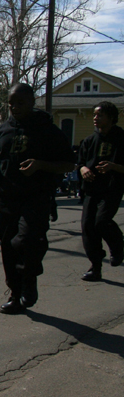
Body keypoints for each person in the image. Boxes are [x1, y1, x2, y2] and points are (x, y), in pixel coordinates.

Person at [0, 84, 75, 314]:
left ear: (32, 102)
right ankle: (16, 294)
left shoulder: (48, 131)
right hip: (6, 198)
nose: (14, 108)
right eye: (11, 104)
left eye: (20, 103)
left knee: (26, 241)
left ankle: (29, 279)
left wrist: (40, 165)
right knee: (8, 246)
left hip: (36, 197)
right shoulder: (1, 131)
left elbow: (68, 164)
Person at [77, 101, 124, 282]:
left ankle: (118, 247)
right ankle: (95, 267)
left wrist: (114, 166)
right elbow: (80, 163)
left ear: (111, 117)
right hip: (92, 189)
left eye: (100, 115)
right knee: (88, 228)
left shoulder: (121, 138)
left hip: (112, 188)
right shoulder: (89, 141)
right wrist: (83, 170)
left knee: (102, 221)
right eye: (95, 115)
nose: (95, 118)